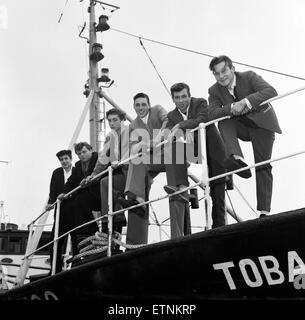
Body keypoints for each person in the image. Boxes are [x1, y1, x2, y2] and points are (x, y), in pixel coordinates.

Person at [208, 55, 282, 218]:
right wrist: (232, 106)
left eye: (224, 71)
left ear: (232, 69)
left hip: (263, 125)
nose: (221, 76)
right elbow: (212, 113)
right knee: (223, 121)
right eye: (216, 73)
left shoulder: (249, 76)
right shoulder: (214, 90)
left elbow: (271, 91)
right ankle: (236, 157)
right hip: (241, 126)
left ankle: (264, 211)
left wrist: (246, 102)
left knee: (262, 164)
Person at [120, 92, 192, 243]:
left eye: (143, 104)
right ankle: (138, 199)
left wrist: (157, 138)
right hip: (156, 158)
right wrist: (142, 144)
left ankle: (177, 236)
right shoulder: (133, 125)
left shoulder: (158, 110)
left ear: (149, 104)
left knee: (176, 191)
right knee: (136, 160)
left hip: (172, 153)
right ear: (133, 107)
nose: (141, 108)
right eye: (137, 105)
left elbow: (168, 122)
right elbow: (133, 148)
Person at [165, 82, 227, 229]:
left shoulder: (200, 103)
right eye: (177, 97)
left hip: (213, 150)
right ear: (173, 99)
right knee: (173, 147)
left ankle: (218, 227)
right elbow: (169, 132)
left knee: (217, 189)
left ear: (189, 96)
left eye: (184, 96)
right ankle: (182, 187)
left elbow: (203, 119)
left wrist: (181, 126)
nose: (181, 100)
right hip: (195, 151)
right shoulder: (172, 115)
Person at [84, 109, 128, 242]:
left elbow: (137, 150)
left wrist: (121, 161)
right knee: (104, 182)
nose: (112, 123)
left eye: (115, 120)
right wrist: (93, 175)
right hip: (118, 172)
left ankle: (109, 219)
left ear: (122, 120)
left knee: (106, 183)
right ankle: (112, 219)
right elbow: (103, 158)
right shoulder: (110, 136)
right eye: (109, 120)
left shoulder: (131, 132)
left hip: (132, 171)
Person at [56, 142, 100, 270]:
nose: (82, 155)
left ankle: (90, 232)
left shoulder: (97, 158)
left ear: (91, 150)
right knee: (75, 204)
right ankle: (87, 233)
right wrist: (64, 192)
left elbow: (102, 168)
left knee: (80, 200)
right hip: (88, 196)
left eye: (85, 152)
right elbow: (72, 181)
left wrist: (91, 179)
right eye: (79, 153)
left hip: (99, 193)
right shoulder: (78, 165)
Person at [47, 150, 75, 274]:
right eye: (61, 159)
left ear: (70, 159)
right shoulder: (57, 173)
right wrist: (50, 202)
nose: (64, 161)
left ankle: (76, 266)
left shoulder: (76, 171)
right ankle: (55, 268)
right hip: (60, 209)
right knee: (56, 239)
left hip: (74, 208)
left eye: (66, 159)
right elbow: (53, 189)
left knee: (75, 238)